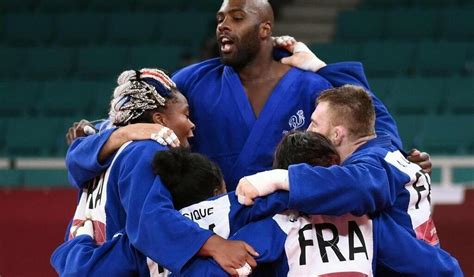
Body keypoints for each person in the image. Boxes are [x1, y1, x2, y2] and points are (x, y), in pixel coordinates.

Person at [65, 0, 423, 195]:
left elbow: (365, 124)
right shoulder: (193, 80)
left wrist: (402, 160)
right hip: (212, 232)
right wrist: (109, 134)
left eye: (236, 17)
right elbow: (142, 116)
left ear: (265, 28)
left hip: (289, 236)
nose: (222, 25)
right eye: (220, 18)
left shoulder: (309, 85)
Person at [53, 132, 461, 276]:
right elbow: (435, 267)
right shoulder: (368, 223)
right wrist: (400, 170)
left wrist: (82, 231)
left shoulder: (140, 242)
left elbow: (83, 269)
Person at [62, 68, 265, 276]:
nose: (193, 125)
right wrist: (215, 244)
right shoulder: (144, 150)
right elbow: (149, 220)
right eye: (186, 114)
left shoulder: (103, 147)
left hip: (87, 261)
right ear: (160, 120)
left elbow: (77, 154)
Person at [236, 85, 440, 247]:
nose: (307, 130)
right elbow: (378, 111)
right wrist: (318, 65)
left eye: (314, 123)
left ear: (337, 134)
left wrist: (279, 178)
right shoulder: (386, 145)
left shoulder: (372, 166)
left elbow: (355, 187)